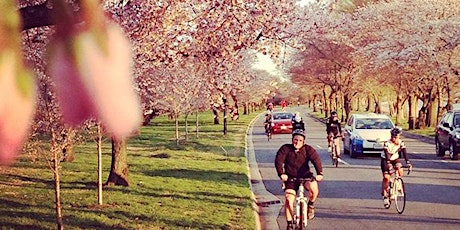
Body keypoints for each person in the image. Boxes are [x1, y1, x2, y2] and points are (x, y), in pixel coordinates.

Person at [275, 129, 324, 230]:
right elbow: (278, 161)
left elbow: (316, 160)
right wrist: (281, 174)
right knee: (289, 199)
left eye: (300, 140)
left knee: (314, 187)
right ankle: (289, 224)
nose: (297, 142)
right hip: (290, 178)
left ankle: (310, 205)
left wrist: (320, 173)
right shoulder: (285, 148)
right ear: (292, 139)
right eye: (295, 140)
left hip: (305, 176)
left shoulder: (308, 149)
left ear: (304, 141)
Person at [380, 127, 413, 208]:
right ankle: (385, 195)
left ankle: (397, 183)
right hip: (385, 159)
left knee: (400, 169)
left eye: (396, 137)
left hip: (395, 159)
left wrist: (408, 163)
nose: (394, 139)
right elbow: (387, 154)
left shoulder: (401, 143)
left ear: (398, 137)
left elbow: (404, 152)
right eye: (392, 137)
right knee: (386, 177)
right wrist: (389, 165)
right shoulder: (387, 143)